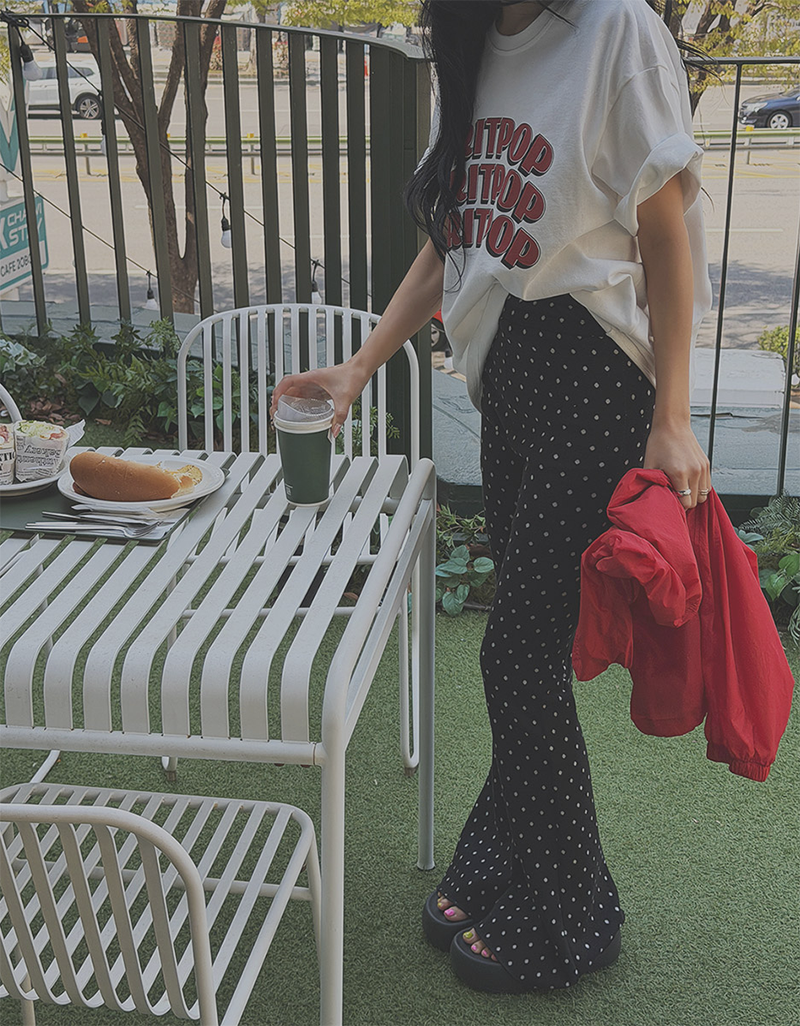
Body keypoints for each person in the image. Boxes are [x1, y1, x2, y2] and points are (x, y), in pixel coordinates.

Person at [271, 0, 713, 996]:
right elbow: (454, 241)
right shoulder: (473, 45)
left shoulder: (614, 31)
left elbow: (666, 230)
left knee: (515, 653)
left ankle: (570, 916)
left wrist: (673, 415)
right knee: (526, 651)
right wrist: (358, 367)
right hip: (506, 379)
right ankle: (500, 855)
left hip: (591, 379)